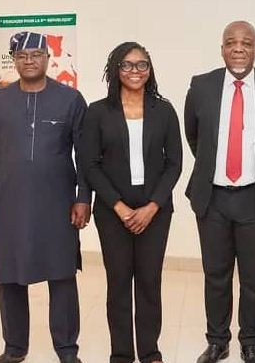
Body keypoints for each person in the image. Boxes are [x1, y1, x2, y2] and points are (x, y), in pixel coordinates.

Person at [0, 31, 91, 363]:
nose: (29, 61)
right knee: (10, 277)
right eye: (22, 56)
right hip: (9, 205)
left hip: (58, 205)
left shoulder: (71, 100)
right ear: (14, 60)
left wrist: (84, 197)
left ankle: (67, 350)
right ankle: (14, 349)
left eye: (36, 55)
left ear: (48, 59)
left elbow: (85, 155)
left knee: (62, 275)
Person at [184, 20, 255, 363]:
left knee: (253, 276)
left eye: (246, 43)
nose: (238, 48)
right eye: (231, 42)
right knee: (215, 275)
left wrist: (254, 168)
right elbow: (194, 136)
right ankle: (218, 341)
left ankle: (250, 341)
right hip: (213, 197)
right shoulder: (201, 86)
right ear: (222, 48)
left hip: (254, 197)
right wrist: (215, 168)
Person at [82, 42, 182, 363]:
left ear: (149, 70)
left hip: (155, 211)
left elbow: (174, 164)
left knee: (150, 282)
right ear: (116, 70)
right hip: (113, 211)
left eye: (141, 65)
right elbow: (89, 164)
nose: (134, 71)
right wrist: (119, 206)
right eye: (126, 65)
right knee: (119, 283)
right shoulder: (98, 112)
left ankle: (150, 352)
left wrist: (152, 206)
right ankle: (122, 354)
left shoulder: (164, 111)